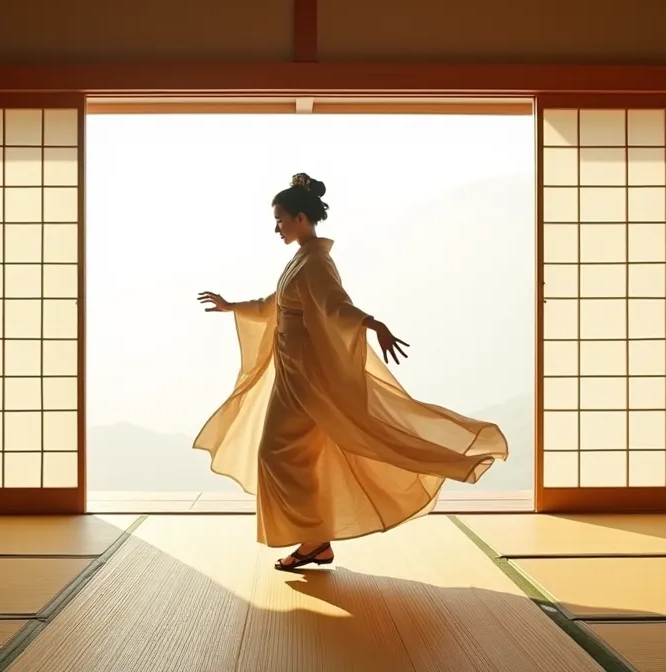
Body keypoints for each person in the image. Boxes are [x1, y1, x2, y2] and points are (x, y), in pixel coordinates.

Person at [194, 173, 508, 571]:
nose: (277, 227)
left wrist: (372, 324)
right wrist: (232, 306)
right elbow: (276, 304)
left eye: (281, 219)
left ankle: (315, 539)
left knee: (276, 452)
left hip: (307, 380)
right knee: (292, 455)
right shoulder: (302, 260)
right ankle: (316, 540)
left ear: (302, 219)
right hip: (292, 373)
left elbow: (335, 306)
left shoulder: (316, 263)